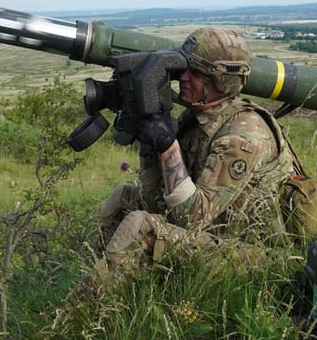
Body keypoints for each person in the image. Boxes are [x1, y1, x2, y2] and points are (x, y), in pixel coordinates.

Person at [95, 27, 304, 274]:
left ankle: (91, 299)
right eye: (183, 69)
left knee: (144, 226)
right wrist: (148, 143)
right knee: (123, 198)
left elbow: (193, 219)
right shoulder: (196, 118)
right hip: (215, 232)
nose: (183, 77)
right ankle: (102, 273)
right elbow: (154, 198)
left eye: (194, 72)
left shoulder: (243, 134)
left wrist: (167, 146)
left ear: (222, 80)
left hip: (257, 255)